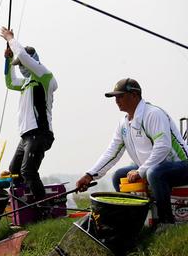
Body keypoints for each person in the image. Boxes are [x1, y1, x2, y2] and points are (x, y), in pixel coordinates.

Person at [76, 78, 188, 227]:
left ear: (134, 95)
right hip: (153, 167)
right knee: (119, 176)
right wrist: (89, 175)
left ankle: (166, 223)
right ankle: (132, 222)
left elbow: (163, 147)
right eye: (115, 97)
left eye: (120, 96)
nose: (116, 100)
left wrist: (140, 170)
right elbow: (112, 153)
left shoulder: (153, 114)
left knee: (154, 173)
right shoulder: (123, 124)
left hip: (181, 165)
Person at [0, 26, 58, 209]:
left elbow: (24, 56)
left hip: (40, 133)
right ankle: (24, 207)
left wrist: (10, 38)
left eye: (24, 64)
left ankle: (44, 209)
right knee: (14, 171)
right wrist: (8, 61)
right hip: (25, 136)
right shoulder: (25, 84)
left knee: (28, 171)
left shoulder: (45, 77)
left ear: (33, 61)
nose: (22, 67)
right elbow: (10, 82)